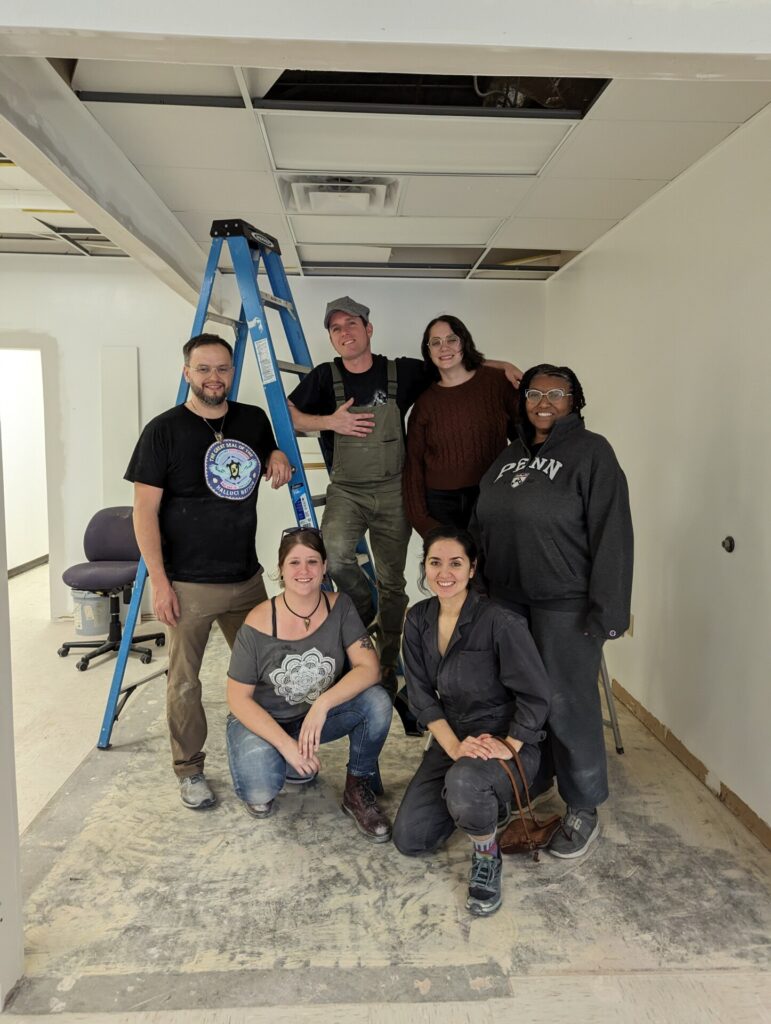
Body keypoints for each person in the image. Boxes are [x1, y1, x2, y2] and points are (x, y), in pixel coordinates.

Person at [287, 296, 522, 707]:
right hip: (348, 489)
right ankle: (362, 607)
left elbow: (452, 365)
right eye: (336, 328)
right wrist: (329, 421)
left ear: (369, 329)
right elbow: (285, 413)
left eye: (352, 325)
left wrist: (502, 366)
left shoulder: (402, 372)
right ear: (331, 336)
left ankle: (386, 663)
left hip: (393, 489)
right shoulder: (325, 377)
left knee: (393, 582)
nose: (345, 333)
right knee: (338, 556)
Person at [470, 364, 633, 859]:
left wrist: (609, 613)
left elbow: (614, 535)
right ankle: (538, 777)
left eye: (556, 393)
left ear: (573, 401)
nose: (544, 401)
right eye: (535, 392)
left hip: (565, 604)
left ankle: (584, 806)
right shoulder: (508, 458)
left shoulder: (592, 452)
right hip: (507, 600)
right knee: (522, 701)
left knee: (567, 705)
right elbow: (481, 526)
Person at [126, 333, 292, 810]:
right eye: (203, 369)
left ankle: (271, 754)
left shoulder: (251, 420)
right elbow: (143, 513)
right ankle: (190, 769)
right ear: (187, 373)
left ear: (232, 372)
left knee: (268, 675)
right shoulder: (163, 431)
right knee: (184, 683)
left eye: (222, 368)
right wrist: (160, 583)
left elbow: (269, 454)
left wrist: (277, 454)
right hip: (188, 585)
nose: (214, 377)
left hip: (246, 579)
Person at [392, 527, 551, 917]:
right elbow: (422, 696)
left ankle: (486, 853)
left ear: (472, 567)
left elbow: (535, 695)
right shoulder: (417, 619)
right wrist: (454, 747)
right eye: (435, 562)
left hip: (504, 739)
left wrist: (509, 744)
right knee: (411, 839)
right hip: (455, 739)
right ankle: (480, 805)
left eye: (455, 563)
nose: (444, 572)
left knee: (464, 781)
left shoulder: (500, 620)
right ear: (425, 566)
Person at [225, 527, 393, 841]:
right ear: (281, 570)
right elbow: (237, 698)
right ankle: (283, 758)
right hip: (264, 721)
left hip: (313, 720)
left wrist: (323, 703)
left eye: (313, 562)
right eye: (294, 563)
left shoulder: (340, 606)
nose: (304, 571)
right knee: (260, 795)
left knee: (377, 702)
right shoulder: (257, 623)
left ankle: (357, 787)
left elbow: (369, 668)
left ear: (325, 566)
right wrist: (286, 745)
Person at [403, 315, 518, 537]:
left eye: (451, 339)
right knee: (453, 570)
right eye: (435, 342)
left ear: (464, 341)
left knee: (493, 567)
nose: (443, 347)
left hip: (491, 494)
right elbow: (413, 467)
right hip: (441, 504)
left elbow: (526, 439)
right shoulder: (425, 404)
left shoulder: (497, 383)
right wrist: (422, 521)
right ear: (428, 351)